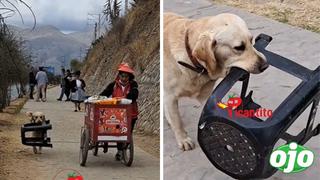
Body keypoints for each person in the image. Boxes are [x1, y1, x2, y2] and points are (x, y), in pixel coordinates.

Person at [100, 62, 139, 160]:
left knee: (127, 132)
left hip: (131, 113)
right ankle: (120, 151)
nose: (124, 78)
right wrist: (98, 99)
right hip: (116, 114)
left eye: (126, 76)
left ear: (129, 77)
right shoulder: (113, 85)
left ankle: (124, 148)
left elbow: (134, 95)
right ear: (119, 76)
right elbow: (105, 94)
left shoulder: (133, 85)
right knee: (118, 131)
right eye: (122, 76)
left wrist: (126, 98)